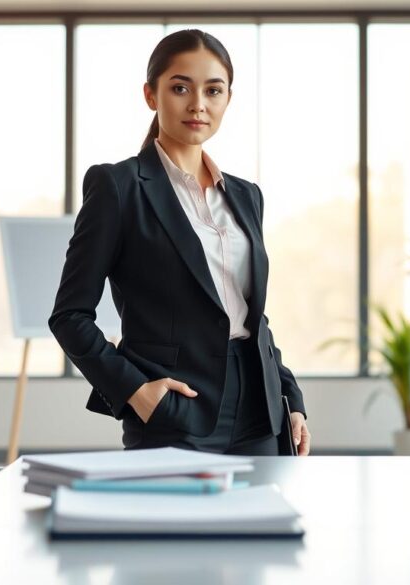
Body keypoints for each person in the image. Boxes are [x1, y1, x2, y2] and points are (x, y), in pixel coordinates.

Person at [49, 29, 311, 456]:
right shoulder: (119, 187)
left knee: (258, 524)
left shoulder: (247, 196)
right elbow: (69, 317)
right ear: (151, 95)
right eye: (180, 88)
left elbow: (247, 315)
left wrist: (291, 399)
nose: (198, 104)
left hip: (260, 411)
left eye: (213, 90)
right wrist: (135, 390)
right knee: (175, 525)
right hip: (176, 407)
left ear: (228, 99)